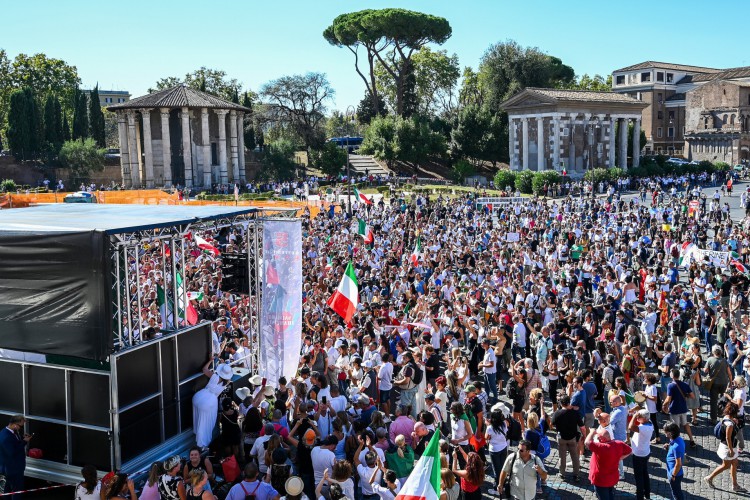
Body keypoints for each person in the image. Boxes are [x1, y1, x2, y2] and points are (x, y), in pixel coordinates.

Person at [704, 402, 747, 492]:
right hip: (728, 448)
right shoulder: (730, 425)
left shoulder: (727, 418)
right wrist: (731, 450)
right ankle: (709, 478)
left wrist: (734, 421)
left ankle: (735, 485)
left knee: (734, 463)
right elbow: (728, 437)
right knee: (725, 465)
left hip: (731, 446)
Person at [192, 360, 233, 448]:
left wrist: (210, 360)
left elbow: (204, 369)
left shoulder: (214, 376)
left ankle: (198, 437)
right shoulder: (227, 382)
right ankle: (201, 444)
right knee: (205, 424)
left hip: (198, 396)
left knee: (198, 419)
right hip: (208, 402)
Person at [585, 427, 632, 500]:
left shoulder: (600, 447)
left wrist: (592, 432)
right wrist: (619, 458)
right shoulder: (619, 444)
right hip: (612, 478)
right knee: (610, 494)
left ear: (601, 439)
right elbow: (630, 451)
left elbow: (587, 442)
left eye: (598, 437)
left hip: (600, 480)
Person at [552, 393, 583, 483]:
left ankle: (562, 473)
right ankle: (576, 474)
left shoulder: (557, 413)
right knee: (575, 456)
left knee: (562, 456)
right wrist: (584, 435)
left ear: (561, 403)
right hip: (572, 438)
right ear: (569, 402)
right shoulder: (574, 413)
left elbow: (552, 424)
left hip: (562, 438)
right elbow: (582, 426)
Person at [663, 368, 697, 448]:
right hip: (683, 408)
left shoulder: (670, 385)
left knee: (675, 427)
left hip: (674, 409)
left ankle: (676, 443)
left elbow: (668, 399)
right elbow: (692, 396)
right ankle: (691, 440)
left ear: (672, 375)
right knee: (685, 424)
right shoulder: (685, 384)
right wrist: (685, 395)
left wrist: (664, 405)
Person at [0, 414, 31, 499]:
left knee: (6, 491)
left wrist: (22, 438)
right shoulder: (6, 437)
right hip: (12, 469)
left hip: (10, 468)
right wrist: (24, 442)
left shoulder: (10, 432)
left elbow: (14, 443)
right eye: (20, 426)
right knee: (16, 491)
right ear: (14, 424)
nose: (20, 428)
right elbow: (12, 452)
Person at [627, 409, 653, 500]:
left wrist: (634, 416)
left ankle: (640, 496)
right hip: (645, 452)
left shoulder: (644, 428)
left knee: (639, 477)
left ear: (645, 419)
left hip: (639, 454)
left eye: (639, 416)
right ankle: (647, 493)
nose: (638, 417)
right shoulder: (649, 423)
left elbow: (630, 427)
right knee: (645, 473)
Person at [484, 409, 509, 491]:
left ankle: (497, 488)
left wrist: (487, 425)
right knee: (503, 467)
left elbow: (486, 438)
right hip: (504, 447)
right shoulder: (504, 424)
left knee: (496, 469)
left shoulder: (490, 428)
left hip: (494, 450)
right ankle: (503, 483)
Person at [664, 422, 685, 500]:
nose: (664, 433)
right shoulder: (677, 439)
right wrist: (669, 446)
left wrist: (673, 475)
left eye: (666, 432)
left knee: (676, 493)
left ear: (670, 433)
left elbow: (678, 464)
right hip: (673, 471)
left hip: (675, 474)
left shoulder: (676, 447)